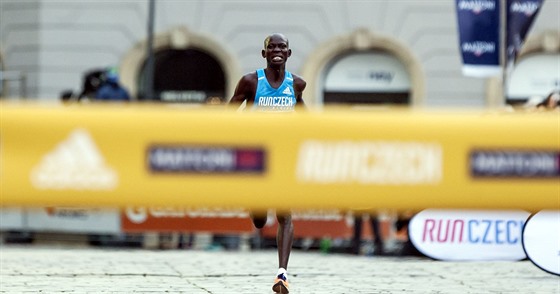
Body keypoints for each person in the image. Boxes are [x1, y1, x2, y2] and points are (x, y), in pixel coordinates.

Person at [228, 33, 306, 294]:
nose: (276, 50)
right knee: (260, 219)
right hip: (256, 157)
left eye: (281, 47)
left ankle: (282, 275)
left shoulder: (296, 85)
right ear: (264, 54)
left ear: (288, 53)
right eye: (271, 47)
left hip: (283, 156)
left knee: (284, 213)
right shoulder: (250, 82)